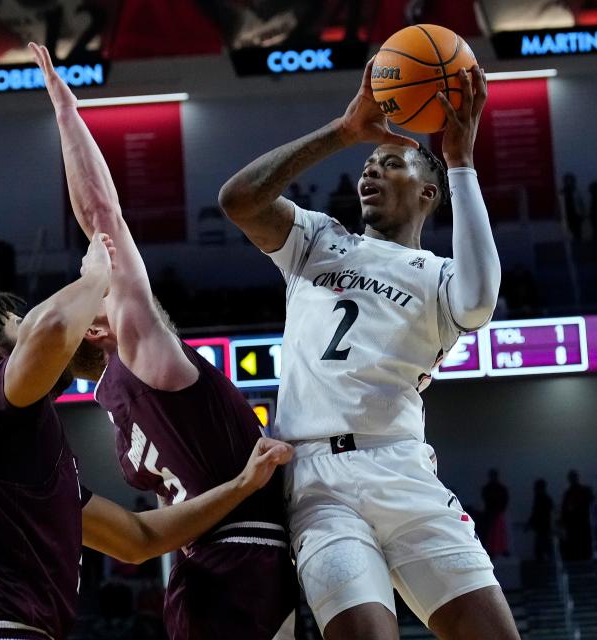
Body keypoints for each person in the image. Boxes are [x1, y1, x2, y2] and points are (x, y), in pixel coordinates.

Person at [220, 59, 517, 640]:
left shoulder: (440, 278)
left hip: (403, 469)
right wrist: (343, 131)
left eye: (389, 162)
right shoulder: (318, 242)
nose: (370, 171)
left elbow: (481, 300)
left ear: (428, 191)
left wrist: (461, 162)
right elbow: (239, 200)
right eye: (367, 164)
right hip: (318, 480)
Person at [29, 43, 298, 640]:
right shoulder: (141, 364)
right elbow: (103, 216)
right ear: (98, 328)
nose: (101, 273)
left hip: (202, 573)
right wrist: (66, 111)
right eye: (91, 282)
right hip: (242, 561)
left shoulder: (116, 405)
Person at [0, 235, 292, 640]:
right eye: (19, 325)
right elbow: (55, 326)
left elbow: (138, 538)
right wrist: (97, 273)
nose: (33, 327)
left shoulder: (11, 472)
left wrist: (241, 485)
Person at [561, 470, 595, 561]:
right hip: (578, 521)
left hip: (579, 520)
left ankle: (582, 557)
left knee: (581, 541)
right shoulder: (582, 491)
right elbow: (565, 509)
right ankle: (583, 557)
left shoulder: (570, 493)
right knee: (580, 541)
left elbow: (564, 509)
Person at [481, 469, 510, 558]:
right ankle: (494, 550)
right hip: (493, 512)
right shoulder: (492, 488)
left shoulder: (496, 488)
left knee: (498, 533)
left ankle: (499, 550)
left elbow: (505, 499)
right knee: (493, 533)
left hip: (496, 512)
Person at [527, 479, 554, 563]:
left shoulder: (540, 499)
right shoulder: (546, 499)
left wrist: (530, 523)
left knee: (541, 549)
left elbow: (536, 513)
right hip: (545, 527)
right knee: (545, 548)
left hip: (542, 528)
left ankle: (545, 566)